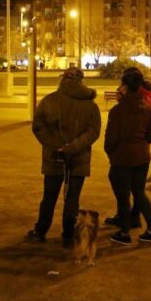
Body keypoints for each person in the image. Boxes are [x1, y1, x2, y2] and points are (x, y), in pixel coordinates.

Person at [26, 67, 101, 248]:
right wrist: (73, 147)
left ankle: (40, 231)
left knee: (49, 197)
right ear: (81, 81)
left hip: (54, 157)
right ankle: (68, 235)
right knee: (72, 198)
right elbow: (93, 132)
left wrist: (55, 146)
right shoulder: (90, 105)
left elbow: (38, 126)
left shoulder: (49, 101)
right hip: (78, 158)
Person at [105, 69, 151, 245]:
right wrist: (141, 144)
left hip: (123, 156)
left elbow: (111, 137)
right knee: (139, 192)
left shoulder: (118, 110)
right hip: (142, 156)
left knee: (123, 195)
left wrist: (112, 152)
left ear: (125, 87)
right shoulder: (146, 107)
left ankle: (125, 232)